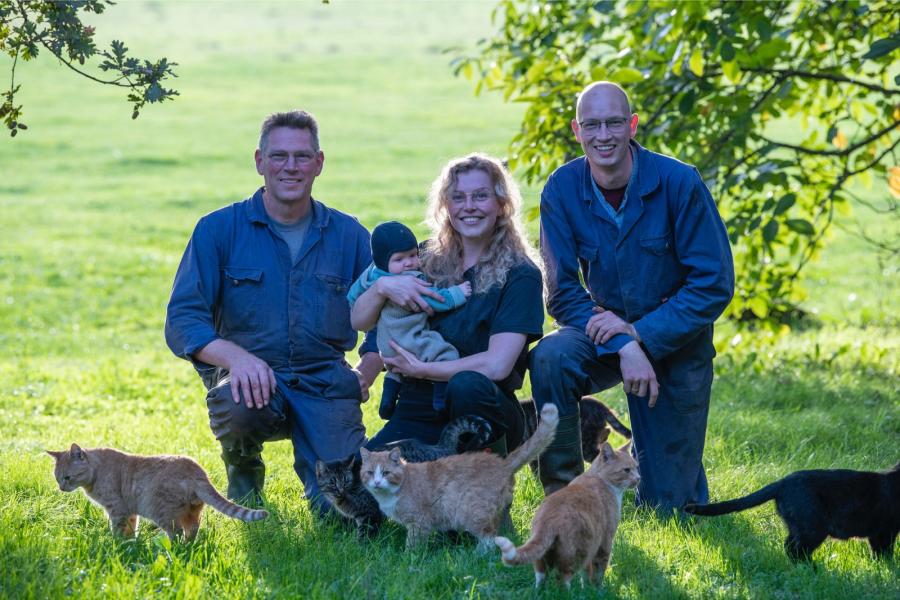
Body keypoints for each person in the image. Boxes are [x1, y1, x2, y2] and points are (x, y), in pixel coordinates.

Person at [529, 82, 735, 511]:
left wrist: (641, 334)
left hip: (676, 338)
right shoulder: (561, 189)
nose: (603, 135)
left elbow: (713, 283)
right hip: (603, 334)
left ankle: (667, 467)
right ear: (577, 130)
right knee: (551, 355)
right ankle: (565, 495)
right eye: (592, 125)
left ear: (633, 125)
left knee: (668, 505)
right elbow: (562, 292)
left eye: (614, 122)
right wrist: (624, 343)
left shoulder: (680, 182)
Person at [164, 110, 382, 513]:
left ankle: (321, 468)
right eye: (279, 156)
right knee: (237, 401)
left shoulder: (350, 236)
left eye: (302, 157)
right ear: (260, 161)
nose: (290, 167)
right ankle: (243, 466)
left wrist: (365, 371)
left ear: (319, 163)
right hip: (253, 381)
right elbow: (183, 318)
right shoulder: (218, 230)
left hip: (325, 382)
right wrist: (236, 360)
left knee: (346, 511)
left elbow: (387, 319)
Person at [349, 153, 544, 456]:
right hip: (418, 404)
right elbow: (360, 321)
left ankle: (486, 476)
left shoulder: (521, 275)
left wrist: (425, 368)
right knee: (355, 492)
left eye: (480, 196)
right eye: (458, 197)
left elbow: (497, 365)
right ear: (445, 206)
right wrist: (382, 287)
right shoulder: (422, 259)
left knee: (467, 385)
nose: (469, 206)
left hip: (483, 406)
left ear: (501, 204)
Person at [347, 220, 473, 419]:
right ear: (383, 261)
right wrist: (458, 293)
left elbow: (353, 294)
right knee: (446, 354)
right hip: (410, 339)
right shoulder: (412, 279)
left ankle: (388, 401)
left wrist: (359, 297)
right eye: (399, 259)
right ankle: (441, 398)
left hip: (386, 346)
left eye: (413, 255)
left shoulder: (371, 274)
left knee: (395, 371)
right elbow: (435, 299)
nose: (409, 263)